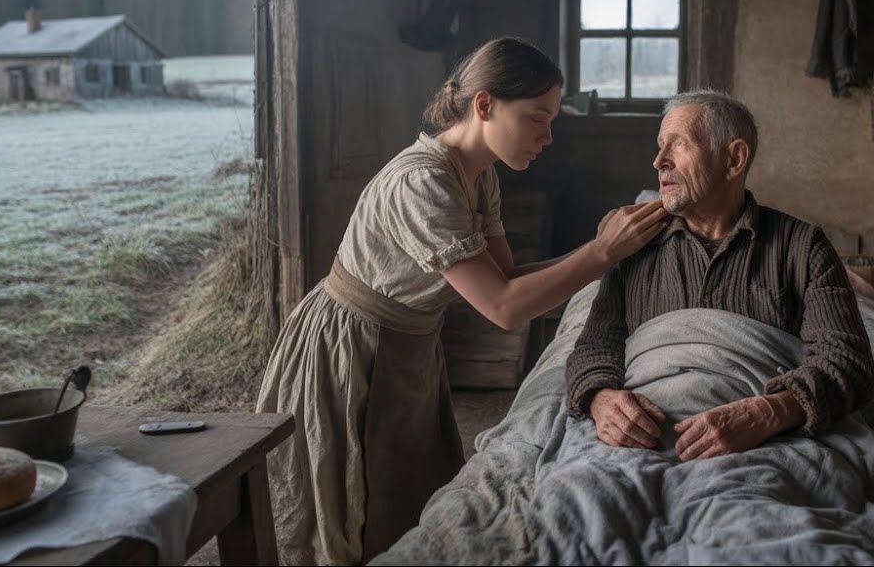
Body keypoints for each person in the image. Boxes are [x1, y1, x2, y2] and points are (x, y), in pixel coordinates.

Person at [257, 36, 669, 565]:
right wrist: (602, 252)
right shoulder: (423, 181)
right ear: (485, 105)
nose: (547, 137)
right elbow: (503, 307)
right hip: (350, 347)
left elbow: (508, 277)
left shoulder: (479, 175)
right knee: (347, 516)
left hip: (408, 347)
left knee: (406, 504)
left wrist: (607, 252)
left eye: (551, 121)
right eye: (537, 118)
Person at [565, 91, 874, 461]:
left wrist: (768, 413)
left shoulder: (802, 245)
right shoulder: (633, 243)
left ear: (734, 159)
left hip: (764, 445)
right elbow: (594, 347)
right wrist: (601, 399)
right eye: (660, 146)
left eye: (678, 144)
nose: (659, 161)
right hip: (641, 443)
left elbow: (847, 363)